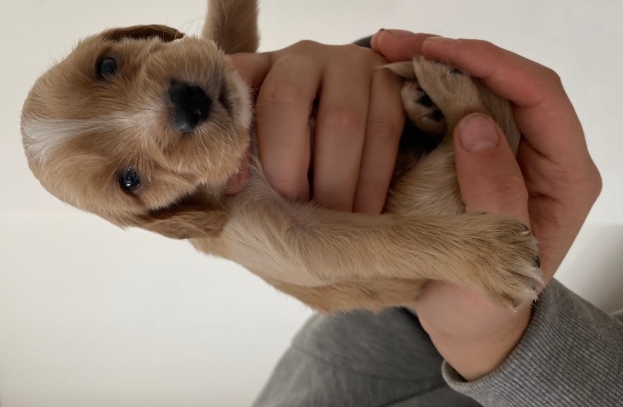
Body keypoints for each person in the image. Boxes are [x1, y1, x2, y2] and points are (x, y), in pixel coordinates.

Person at [225, 30, 620, 406]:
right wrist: (493, 344)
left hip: (378, 321)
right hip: (432, 284)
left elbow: (381, 286)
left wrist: (346, 91)